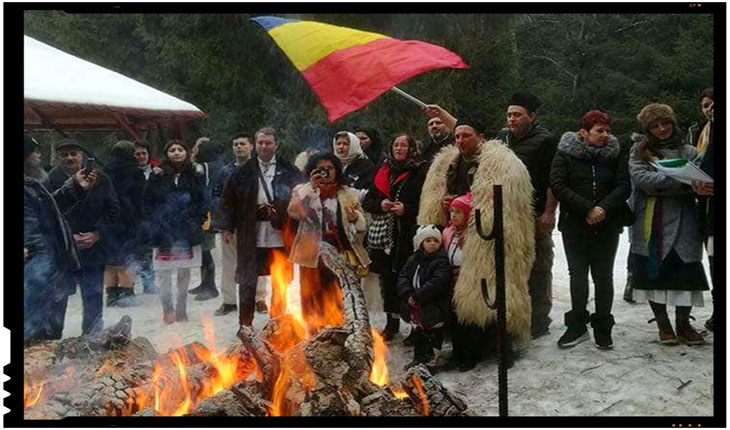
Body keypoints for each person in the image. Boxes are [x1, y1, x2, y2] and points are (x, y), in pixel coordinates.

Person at [418, 113, 535, 371]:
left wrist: (469, 208)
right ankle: (466, 351)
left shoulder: (502, 163)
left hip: (489, 236)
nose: (460, 140)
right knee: (460, 295)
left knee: (493, 291)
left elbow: (506, 203)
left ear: (481, 137)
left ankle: (502, 348)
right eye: (457, 135)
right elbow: (441, 195)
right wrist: (447, 203)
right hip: (457, 234)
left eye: (466, 135)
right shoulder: (449, 162)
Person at [628, 103, 708, 345]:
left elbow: (704, 175)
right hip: (652, 218)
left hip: (685, 219)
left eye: (666, 123)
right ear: (647, 129)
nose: (662, 129)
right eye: (655, 125)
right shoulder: (639, 152)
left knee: (685, 271)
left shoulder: (689, 151)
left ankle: (683, 323)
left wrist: (677, 182)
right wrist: (681, 180)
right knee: (655, 272)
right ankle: (663, 324)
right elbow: (641, 179)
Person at [550, 110, 631, 349]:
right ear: (584, 132)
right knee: (577, 275)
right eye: (599, 131)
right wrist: (587, 209)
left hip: (607, 224)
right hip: (574, 224)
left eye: (607, 130)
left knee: (604, 276)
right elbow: (558, 184)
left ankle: (603, 328)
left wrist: (603, 208)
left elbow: (624, 185)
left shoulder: (615, 155)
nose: (605, 135)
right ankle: (576, 326)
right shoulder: (565, 154)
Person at [218, 127, 302, 330]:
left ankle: (278, 322)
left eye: (268, 143)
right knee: (248, 280)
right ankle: (245, 325)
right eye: (261, 143)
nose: (264, 146)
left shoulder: (289, 170)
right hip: (251, 233)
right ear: (255, 145)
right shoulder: (244, 171)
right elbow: (228, 200)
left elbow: (301, 198)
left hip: (280, 233)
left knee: (280, 278)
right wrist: (227, 227)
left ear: (276, 145)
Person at [24, 135, 98, 344]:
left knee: (50, 334)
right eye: (34, 152)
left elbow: (50, 212)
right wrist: (50, 276)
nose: (38, 156)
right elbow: (32, 238)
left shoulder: (31, 185)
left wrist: (75, 186)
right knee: (38, 338)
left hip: (51, 274)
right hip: (39, 278)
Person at [497, 92, 558, 339]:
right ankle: (515, 314)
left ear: (531, 117)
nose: (512, 119)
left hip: (535, 213)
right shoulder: (502, 138)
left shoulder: (546, 141)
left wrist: (549, 212)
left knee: (539, 265)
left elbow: (553, 180)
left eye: (517, 115)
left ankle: (540, 318)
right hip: (507, 212)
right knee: (512, 266)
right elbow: (469, 132)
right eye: (509, 115)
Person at [288, 153, 371, 335]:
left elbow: (363, 225)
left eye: (330, 168)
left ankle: (339, 335)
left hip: (340, 250)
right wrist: (311, 188)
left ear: (337, 170)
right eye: (320, 168)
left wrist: (354, 217)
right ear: (312, 170)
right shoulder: (303, 190)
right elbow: (293, 212)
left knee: (340, 295)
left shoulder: (349, 193)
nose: (325, 172)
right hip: (311, 252)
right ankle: (314, 336)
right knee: (311, 296)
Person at [47, 139, 121, 335]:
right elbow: (47, 216)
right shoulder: (49, 181)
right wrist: (68, 238)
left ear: (82, 155)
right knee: (57, 297)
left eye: (73, 153)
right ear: (57, 157)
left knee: (93, 296)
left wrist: (97, 234)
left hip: (92, 248)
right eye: (64, 154)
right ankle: (52, 341)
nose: (69, 158)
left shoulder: (101, 179)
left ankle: (93, 338)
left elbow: (113, 210)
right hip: (62, 251)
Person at [362, 133, 426, 341]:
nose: (399, 149)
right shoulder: (383, 171)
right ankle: (392, 323)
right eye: (396, 145)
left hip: (407, 235)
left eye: (403, 145)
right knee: (388, 281)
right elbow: (368, 201)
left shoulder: (419, 172)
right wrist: (380, 205)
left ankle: (416, 326)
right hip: (384, 239)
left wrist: (406, 210)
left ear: (411, 149)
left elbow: (425, 203)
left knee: (409, 281)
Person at [141, 139, 208, 324]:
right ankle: (167, 307)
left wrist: (197, 220)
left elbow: (202, 199)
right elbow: (147, 202)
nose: (176, 153)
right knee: (164, 272)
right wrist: (155, 221)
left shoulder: (195, 172)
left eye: (180, 149)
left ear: (186, 152)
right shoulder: (157, 174)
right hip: (163, 230)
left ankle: (181, 306)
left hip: (187, 230)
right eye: (172, 150)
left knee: (184, 271)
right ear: (166, 153)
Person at [398, 225, 453, 371]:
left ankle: (430, 362)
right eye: (428, 240)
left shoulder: (441, 261)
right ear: (421, 242)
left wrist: (418, 296)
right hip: (415, 305)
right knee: (419, 332)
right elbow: (403, 276)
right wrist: (407, 294)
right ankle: (418, 358)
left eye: (435, 240)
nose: (432, 243)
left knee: (433, 334)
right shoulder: (413, 259)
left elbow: (437, 282)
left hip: (433, 305)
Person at [211, 133, 255, 316]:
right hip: (232, 226)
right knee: (229, 264)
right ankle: (229, 301)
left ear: (251, 146)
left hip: (253, 225)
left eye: (242, 144)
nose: (239, 147)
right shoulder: (224, 172)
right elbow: (217, 199)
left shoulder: (258, 169)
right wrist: (225, 225)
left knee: (256, 263)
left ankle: (259, 299)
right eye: (235, 144)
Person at [104, 140, 147, 307]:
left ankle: (111, 295)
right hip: (129, 220)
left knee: (110, 261)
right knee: (126, 259)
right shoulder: (134, 172)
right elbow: (140, 198)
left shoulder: (104, 171)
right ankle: (126, 294)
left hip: (108, 220)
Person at [688, 87, 715, 331]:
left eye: (714, 104)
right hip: (709, 210)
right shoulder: (702, 132)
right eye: (706, 105)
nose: (710, 109)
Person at [189, 138, 226, 301]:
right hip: (213, 212)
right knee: (204, 251)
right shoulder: (219, 165)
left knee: (205, 251)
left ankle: (210, 286)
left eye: (197, 150)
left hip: (206, 214)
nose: (194, 153)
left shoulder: (203, 167)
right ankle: (205, 283)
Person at [133, 140, 157, 294]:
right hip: (135, 217)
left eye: (144, 153)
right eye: (138, 154)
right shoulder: (130, 173)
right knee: (137, 252)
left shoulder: (157, 171)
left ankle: (149, 283)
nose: (141, 157)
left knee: (151, 252)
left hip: (154, 217)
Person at [332, 131, 375, 199]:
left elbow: (367, 191)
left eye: (345, 144)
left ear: (353, 145)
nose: (341, 147)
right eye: (338, 143)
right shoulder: (332, 163)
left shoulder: (366, 166)